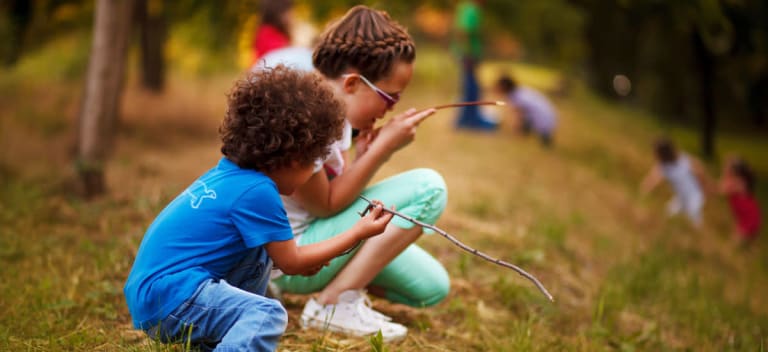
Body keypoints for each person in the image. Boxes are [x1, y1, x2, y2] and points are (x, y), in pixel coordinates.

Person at [123, 66, 395, 351]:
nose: (315, 173)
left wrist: (297, 259)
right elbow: (293, 261)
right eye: (314, 162)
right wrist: (358, 233)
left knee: (259, 256)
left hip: (158, 292)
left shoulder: (231, 176)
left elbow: (278, 257)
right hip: (170, 295)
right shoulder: (258, 191)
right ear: (293, 158)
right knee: (267, 313)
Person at [270, 5, 451, 342]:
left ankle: (344, 288)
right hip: (294, 256)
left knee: (431, 287)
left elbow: (328, 191)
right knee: (429, 187)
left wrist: (362, 156)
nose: (391, 109)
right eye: (389, 97)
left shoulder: (337, 115)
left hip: (319, 240)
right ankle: (334, 302)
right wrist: (382, 151)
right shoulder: (310, 119)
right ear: (352, 83)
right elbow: (324, 205)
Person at [640, 138, 708, 227]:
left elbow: (699, 169)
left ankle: (697, 236)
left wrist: (705, 186)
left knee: (694, 222)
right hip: (681, 198)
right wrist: (645, 188)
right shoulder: (664, 166)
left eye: (656, 152)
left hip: (694, 197)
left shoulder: (682, 159)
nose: (654, 155)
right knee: (668, 215)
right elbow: (653, 178)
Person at [452, 0, 498, 131]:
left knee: (471, 88)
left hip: (468, 55)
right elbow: (463, 31)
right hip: (469, 56)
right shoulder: (471, 9)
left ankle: (467, 120)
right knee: (471, 89)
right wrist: (466, 55)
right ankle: (468, 121)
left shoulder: (466, 7)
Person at [496, 74, 557, 147]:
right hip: (549, 116)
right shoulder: (521, 90)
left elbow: (519, 115)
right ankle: (528, 133)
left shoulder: (516, 96)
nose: (498, 88)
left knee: (525, 120)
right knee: (527, 118)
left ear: (504, 86)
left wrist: (516, 130)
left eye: (499, 86)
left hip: (543, 119)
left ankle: (539, 138)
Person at [719, 157, 761, 243]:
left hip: (749, 217)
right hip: (746, 216)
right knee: (737, 240)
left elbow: (719, 189)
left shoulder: (737, 183)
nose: (724, 171)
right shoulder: (737, 181)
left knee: (734, 243)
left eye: (727, 169)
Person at [252, 0, 294, 65]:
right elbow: (279, 54)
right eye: (288, 11)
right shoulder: (266, 32)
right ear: (278, 13)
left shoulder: (280, 33)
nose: (292, 15)